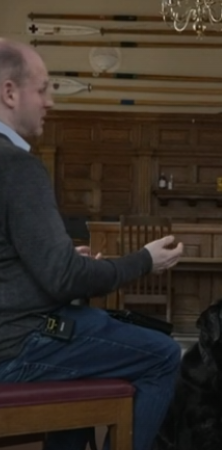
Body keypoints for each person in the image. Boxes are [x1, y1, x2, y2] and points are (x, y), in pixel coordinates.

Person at [0, 39, 184, 450]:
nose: (49, 102)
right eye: (43, 89)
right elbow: (64, 279)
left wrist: (62, 260)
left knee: (97, 346)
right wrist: (144, 260)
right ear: (10, 93)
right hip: (16, 343)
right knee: (162, 354)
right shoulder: (16, 166)